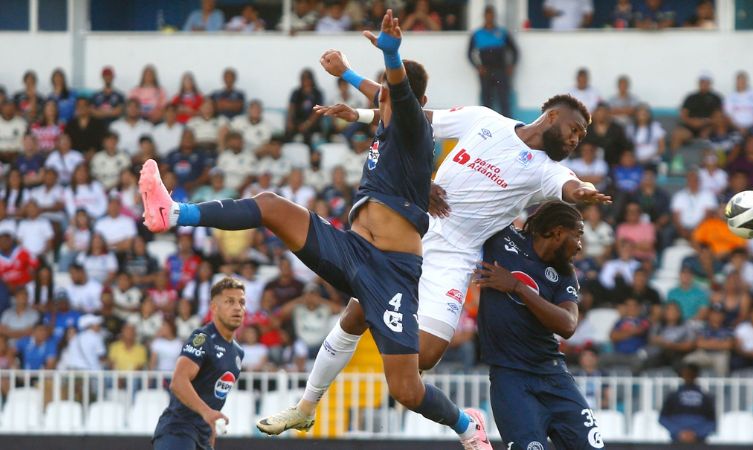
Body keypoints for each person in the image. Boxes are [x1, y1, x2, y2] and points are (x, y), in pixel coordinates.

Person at [141, 11, 493, 449]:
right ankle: (174, 213)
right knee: (270, 205)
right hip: (352, 251)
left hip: (391, 274)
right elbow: (386, 93)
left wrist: (391, 52)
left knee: (406, 389)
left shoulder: (414, 125)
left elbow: (398, 94)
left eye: (385, 96)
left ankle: (466, 424)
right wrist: (346, 72)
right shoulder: (387, 122)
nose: (379, 102)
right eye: (381, 96)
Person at [312, 46, 607, 377]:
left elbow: (571, 184)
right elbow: (413, 115)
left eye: (580, 136)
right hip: (415, 231)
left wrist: (585, 191)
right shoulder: (485, 119)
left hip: (455, 256)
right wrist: (352, 86)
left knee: (426, 355)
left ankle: (375, 309)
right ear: (552, 116)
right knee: (353, 317)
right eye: (575, 129)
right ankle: (306, 404)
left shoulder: (545, 170)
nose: (576, 140)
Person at [472, 201, 605, 449]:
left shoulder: (565, 273)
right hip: (510, 378)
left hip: (553, 374)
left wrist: (517, 287)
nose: (580, 245)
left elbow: (568, 324)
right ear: (557, 232)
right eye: (577, 235)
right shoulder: (501, 238)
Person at [152, 277, 246, 450]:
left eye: (242, 302)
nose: (237, 307)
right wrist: (206, 412)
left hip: (202, 439)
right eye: (230, 302)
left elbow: (215, 401)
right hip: (178, 432)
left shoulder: (238, 353)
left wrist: (210, 440)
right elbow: (178, 382)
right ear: (214, 308)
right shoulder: (202, 338)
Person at [467, 5, 518, 117]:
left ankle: (508, 126)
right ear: (484, 16)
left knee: (504, 100)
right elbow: (469, 54)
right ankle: (487, 126)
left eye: (491, 15)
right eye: (487, 15)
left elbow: (514, 50)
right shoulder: (477, 34)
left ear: (494, 16)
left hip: (501, 70)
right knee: (487, 102)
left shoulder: (502, 33)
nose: (489, 17)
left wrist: (511, 65)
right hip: (486, 71)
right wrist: (478, 67)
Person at [658, 363, 716, 443]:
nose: (688, 376)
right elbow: (663, 418)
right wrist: (679, 432)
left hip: (699, 442)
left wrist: (696, 433)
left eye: (691, 373)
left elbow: (712, 422)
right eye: (686, 373)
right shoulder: (673, 396)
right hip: (677, 442)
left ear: (696, 375)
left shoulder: (706, 397)